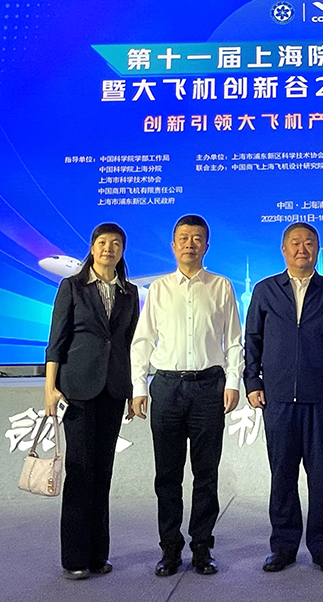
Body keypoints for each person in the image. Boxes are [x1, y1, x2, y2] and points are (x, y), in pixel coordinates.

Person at [129, 215, 243, 577]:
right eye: (183, 238)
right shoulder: (159, 289)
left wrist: (233, 382)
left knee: (206, 473)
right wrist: (138, 387)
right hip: (167, 387)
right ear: (173, 245)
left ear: (206, 245)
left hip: (209, 387)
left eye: (197, 238)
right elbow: (142, 341)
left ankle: (202, 546)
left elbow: (234, 341)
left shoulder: (221, 286)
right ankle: (170, 548)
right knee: (167, 474)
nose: (190, 244)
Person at [244, 222, 323, 574]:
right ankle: (283, 547)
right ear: (284, 249)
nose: (301, 249)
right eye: (295, 243)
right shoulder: (265, 290)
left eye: (308, 243)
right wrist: (252, 381)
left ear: (317, 250)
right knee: (282, 475)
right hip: (277, 398)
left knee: (320, 477)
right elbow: (253, 340)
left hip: (321, 398)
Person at [44, 223, 140, 580]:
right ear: (92, 247)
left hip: (113, 390)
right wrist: (50, 388)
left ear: (122, 250)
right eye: (102, 242)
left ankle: (99, 554)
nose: (108, 249)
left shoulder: (129, 292)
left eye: (115, 244)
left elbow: (130, 343)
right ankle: (74, 558)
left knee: (103, 473)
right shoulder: (72, 287)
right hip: (78, 389)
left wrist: (132, 389)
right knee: (80, 471)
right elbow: (56, 340)